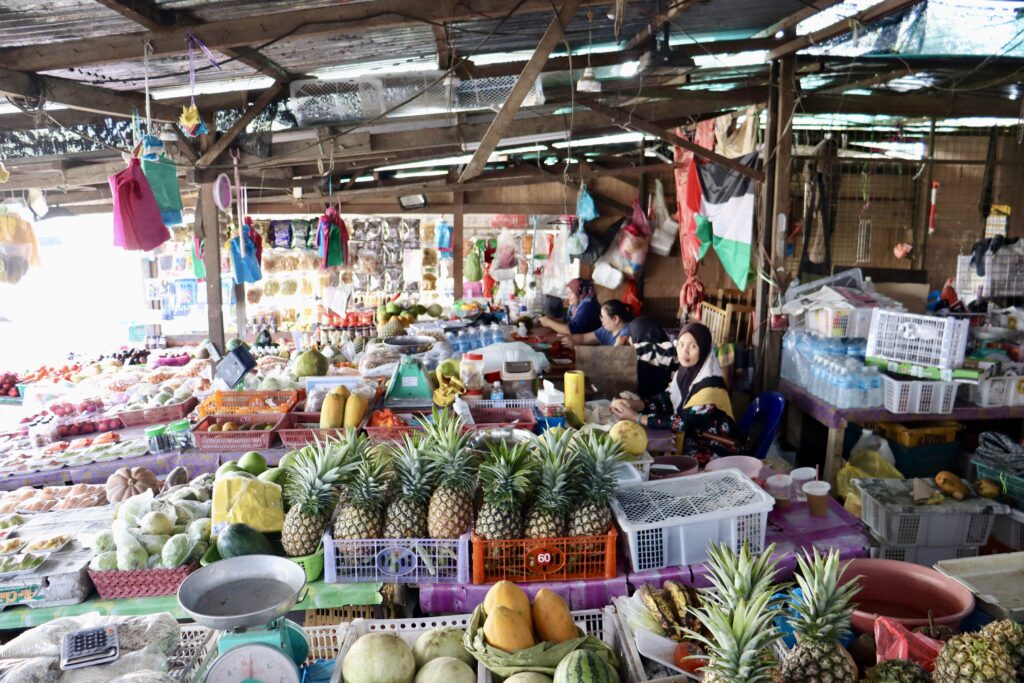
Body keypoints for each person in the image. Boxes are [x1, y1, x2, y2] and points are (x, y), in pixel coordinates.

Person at [610, 322, 739, 464]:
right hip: (692, 439)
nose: (685, 351)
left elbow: (681, 422)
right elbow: (667, 399)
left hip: (713, 447)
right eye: (681, 344)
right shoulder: (686, 372)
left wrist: (636, 417)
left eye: (693, 346)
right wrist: (636, 404)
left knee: (658, 464)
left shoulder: (711, 389)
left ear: (704, 350)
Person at [563, 300, 674, 399]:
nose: (601, 320)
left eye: (603, 317)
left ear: (615, 319)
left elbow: (617, 362)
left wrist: (616, 347)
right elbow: (583, 338)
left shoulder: (627, 334)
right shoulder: (607, 330)